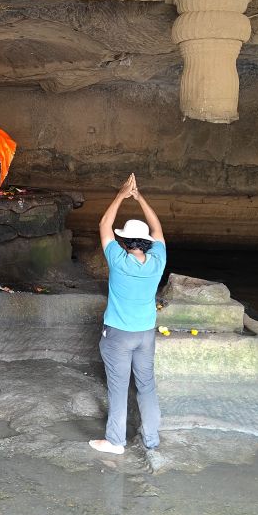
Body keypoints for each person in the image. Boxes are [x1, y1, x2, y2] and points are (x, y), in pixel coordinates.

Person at [89, 173, 167, 455]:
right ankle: (152, 440)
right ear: (146, 242)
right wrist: (140, 197)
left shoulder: (118, 260)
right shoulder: (158, 260)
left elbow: (104, 224)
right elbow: (158, 230)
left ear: (125, 241)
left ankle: (115, 442)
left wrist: (122, 195)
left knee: (119, 388)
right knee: (146, 386)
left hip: (118, 336)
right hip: (146, 334)